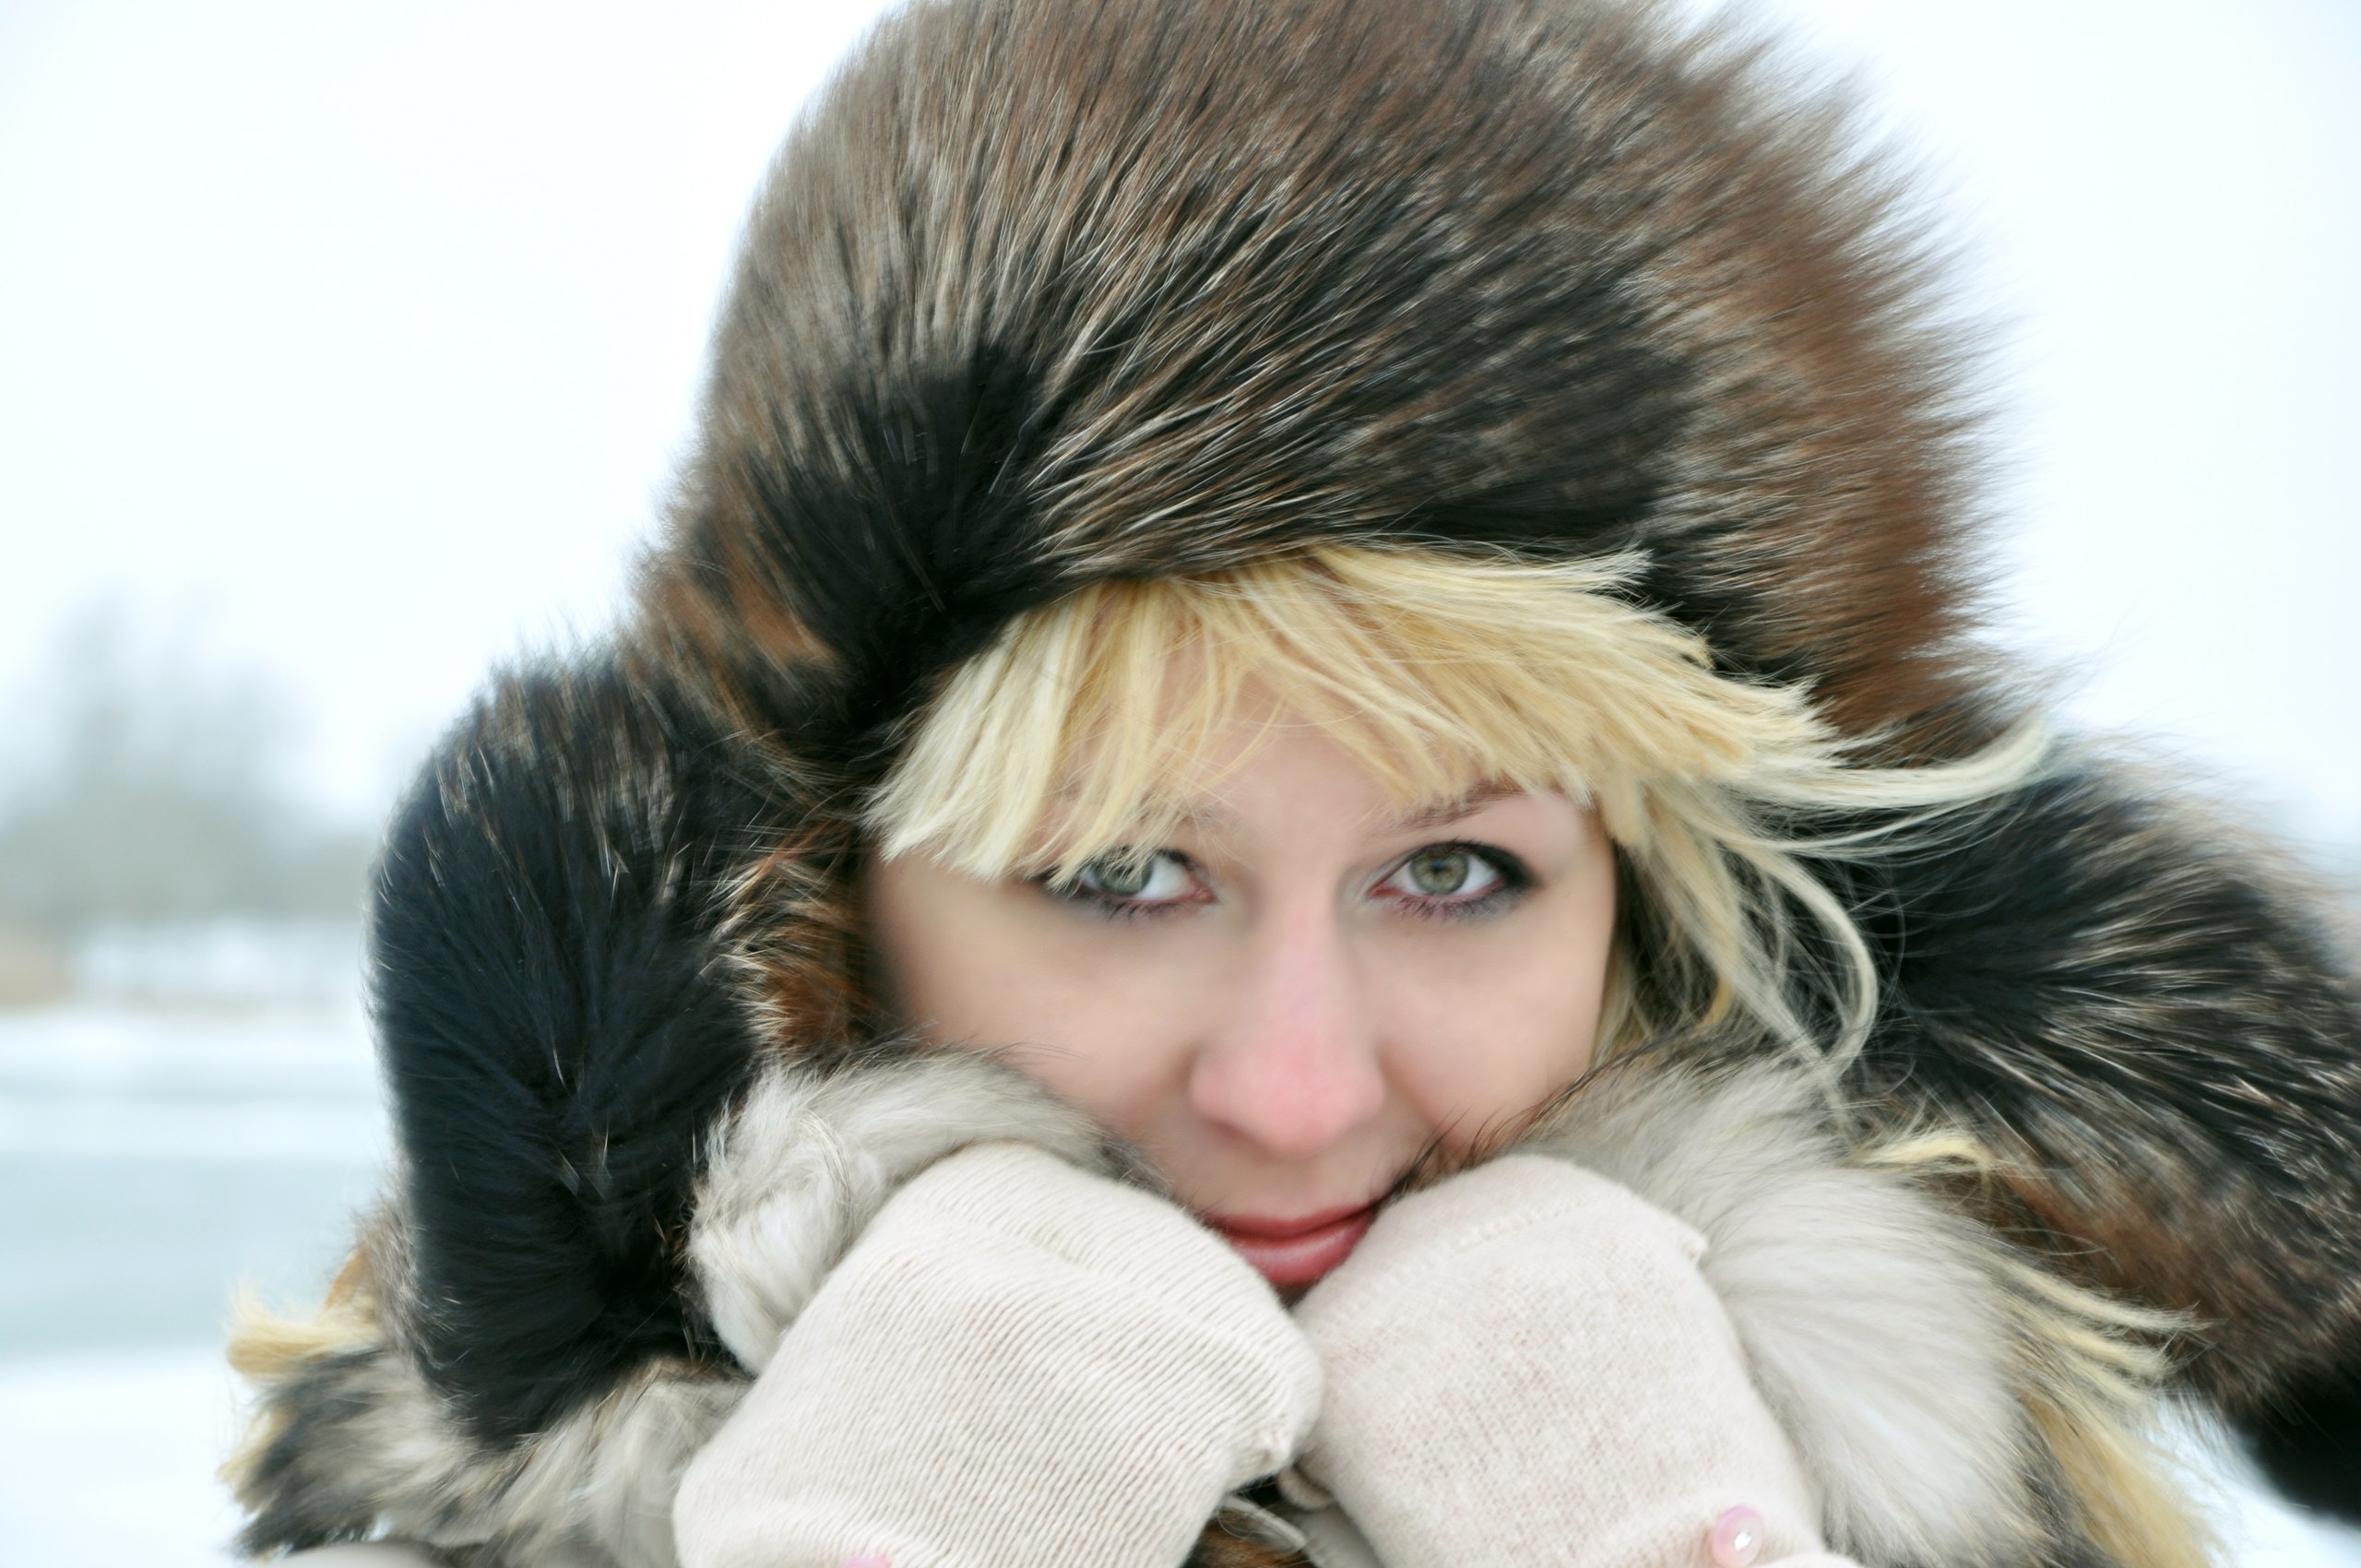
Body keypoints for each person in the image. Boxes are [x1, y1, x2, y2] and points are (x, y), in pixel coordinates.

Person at [221, 0, 2361, 1565]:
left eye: (1453, 872)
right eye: (1122, 873)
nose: (1293, 1090)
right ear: (817, 887)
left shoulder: (1953, 1426)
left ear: (1659, 888)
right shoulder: (485, 1486)